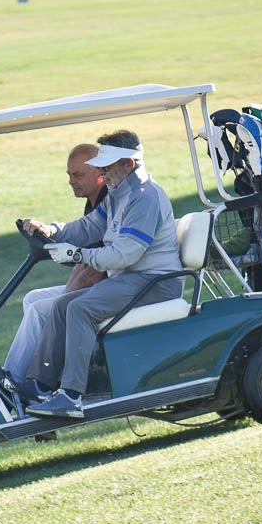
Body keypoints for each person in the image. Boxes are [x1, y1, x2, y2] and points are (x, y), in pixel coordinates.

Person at [20, 130, 184, 419]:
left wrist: (78, 254)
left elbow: (125, 254)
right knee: (62, 306)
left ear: (128, 165)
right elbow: (87, 228)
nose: (102, 173)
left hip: (155, 282)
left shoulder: (145, 198)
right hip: (131, 279)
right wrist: (52, 230)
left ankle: (70, 396)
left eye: (106, 167)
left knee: (81, 309)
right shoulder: (118, 195)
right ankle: (43, 386)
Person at [2, 144, 108, 386]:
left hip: (112, 285)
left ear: (100, 174)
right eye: (69, 175)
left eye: (78, 175)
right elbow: (80, 238)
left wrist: (65, 298)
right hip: (102, 282)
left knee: (40, 311)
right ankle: (31, 372)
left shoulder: (108, 201)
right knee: (31, 299)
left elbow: (95, 270)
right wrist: (47, 231)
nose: (71, 181)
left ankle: (17, 382)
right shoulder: (94, 202)